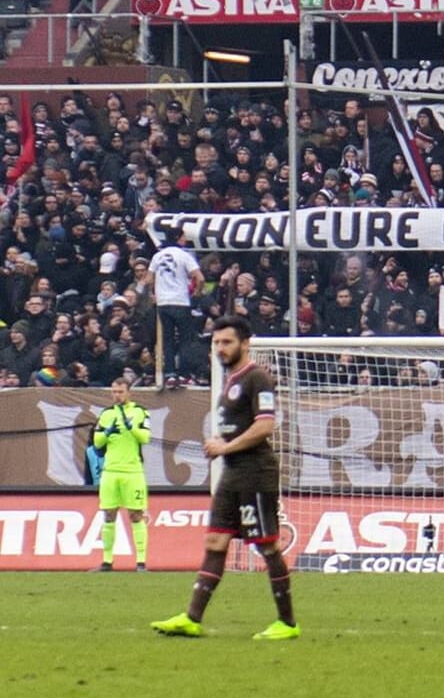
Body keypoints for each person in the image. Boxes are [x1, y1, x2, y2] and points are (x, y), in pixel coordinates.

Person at [151, 316, 298, 640]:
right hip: (233, 470)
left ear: (245, 344)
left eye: (227, 342)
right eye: (216, 342)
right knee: (215, 541)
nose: (220, 348)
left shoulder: (256, 377)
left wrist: (225, 446)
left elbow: (265, 426)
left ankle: (287, 623)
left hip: (255, 471)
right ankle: (192, 618)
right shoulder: (231, 378)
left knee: (268, 545)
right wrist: (224, 449)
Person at [91, 375, 151, 572]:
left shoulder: (140, 412)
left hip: (133, 471)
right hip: (110, 471)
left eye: (120, 392)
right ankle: (107, 561)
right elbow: (97, 442)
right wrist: (107, 432)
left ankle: (141, 562)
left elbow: (145, 438)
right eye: (114, 392)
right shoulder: (106, 414)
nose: (117, 396)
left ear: (128, 392)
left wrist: (131, 427)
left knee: (136, 515)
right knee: (109, 514)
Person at [145, 235, 204, 389]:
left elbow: (148, 280)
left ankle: (170, 375)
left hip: (163, 303)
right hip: (180, 301)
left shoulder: (157, 256)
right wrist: (196, 293)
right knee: (185, 339)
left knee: (167, 339)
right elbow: (200, 277)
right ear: (179, 239)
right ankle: (184, 374)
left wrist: (153, 294)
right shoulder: (184, 255)